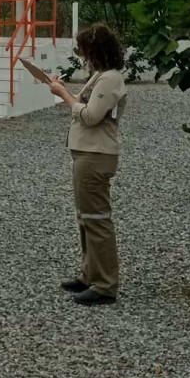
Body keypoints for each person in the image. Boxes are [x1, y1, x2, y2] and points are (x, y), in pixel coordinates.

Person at [48, 24, 127, 306]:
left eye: (85, 50)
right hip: (86, 152)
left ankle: (105, 284)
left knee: (97, 219)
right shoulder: (101, 76)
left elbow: (91, 115)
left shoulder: (110, 79)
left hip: (96, 154)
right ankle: (89, 273)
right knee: (85, 218)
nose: (82, 56)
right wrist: (67, 92)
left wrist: (64, 96)